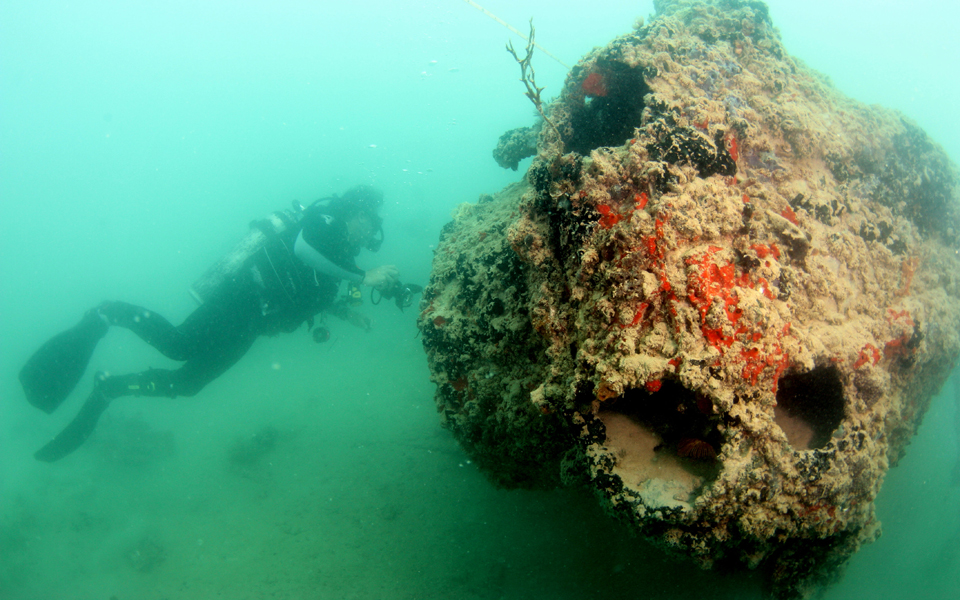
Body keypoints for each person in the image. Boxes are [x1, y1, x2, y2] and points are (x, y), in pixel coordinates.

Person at [20, 185, 407, 462]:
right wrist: (362, 277)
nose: (367, 231)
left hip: (256, 322)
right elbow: (303, 249)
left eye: (372, 226)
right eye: (364, 221)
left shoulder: (343, 253)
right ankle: (110, 312)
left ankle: (110, 389)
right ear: (350, 211)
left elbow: (308, 289)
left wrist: (345, 310)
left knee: (189, 384)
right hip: (241, 298)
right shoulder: (322, 222)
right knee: (177, 345)